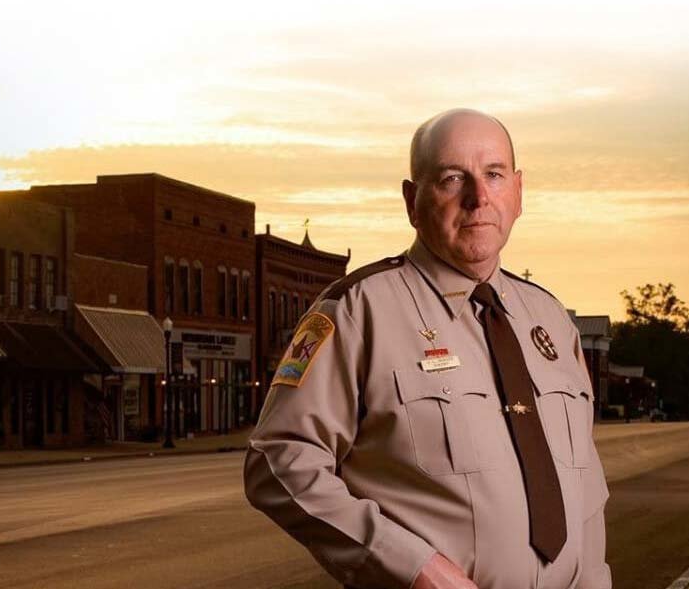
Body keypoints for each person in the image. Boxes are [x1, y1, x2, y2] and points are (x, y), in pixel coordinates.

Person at [244, 109, 611, 589]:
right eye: (452, 178)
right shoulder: (358, 311)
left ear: (518, 192)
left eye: (494, 175)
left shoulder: (550, 320)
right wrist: (410, 565)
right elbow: (278, 460)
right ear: (412, 200)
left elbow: (583, 490)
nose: (479, 198)